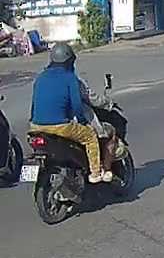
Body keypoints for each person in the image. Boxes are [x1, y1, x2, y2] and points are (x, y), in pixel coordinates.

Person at [29, 43, 111, 183]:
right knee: (90, 136)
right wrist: (82, 121)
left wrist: (33, 120)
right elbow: (77, 104)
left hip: (36, 126)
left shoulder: (40, 77)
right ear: (70, 61)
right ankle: (95, 173)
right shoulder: (70, 77)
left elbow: (34, 103)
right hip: (59, 126)